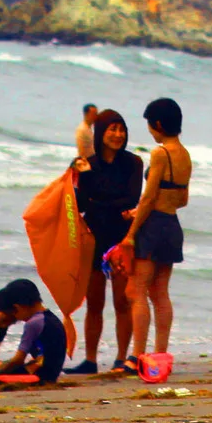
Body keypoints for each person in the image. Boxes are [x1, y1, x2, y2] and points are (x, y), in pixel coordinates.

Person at [67, 109, 143, 375]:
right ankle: (89, 360)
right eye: (112, 129)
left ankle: (122, 358)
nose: (118, 135)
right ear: (100, 132)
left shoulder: (134, 163)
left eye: (121, 129)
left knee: (122, 302)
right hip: (94, 236)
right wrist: (84, 177)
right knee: (94, 303)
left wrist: (99, 201)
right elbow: (81, 201)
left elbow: (132, 200)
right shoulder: (86, 163)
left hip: (122, 240)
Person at [120, 96, 191, 368]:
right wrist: (150, 207)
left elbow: (148, 198)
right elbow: (182, 199)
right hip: (172, 225)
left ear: (158, 124)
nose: (150, 130)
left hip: (153, 225)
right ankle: (161, 355)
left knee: (137, 291)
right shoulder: (184, 155)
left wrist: (131, 232)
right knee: (160, 293)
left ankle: (136, 355)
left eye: (150, 125)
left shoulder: (160, 154)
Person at [0, 283, 69, 385]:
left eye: (15, 315)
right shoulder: (52, 318)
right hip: (52, 374)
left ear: (18, 308)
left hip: (39, 375)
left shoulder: (33, 323)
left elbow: (18, 360)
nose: (18, 319)